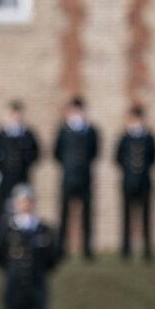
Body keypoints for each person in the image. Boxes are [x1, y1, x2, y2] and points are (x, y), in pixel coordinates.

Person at [0, 99, 39, 256]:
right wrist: (1, 166)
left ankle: (24, 242)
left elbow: (35, 153)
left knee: (24, 210)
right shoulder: (1, 134)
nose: (16, 117)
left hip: (22, 179)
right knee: (1, 211)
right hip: (5, 180)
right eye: (13, 114)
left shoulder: (28, 134)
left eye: (18, 114)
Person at [52, 96, 99, 260]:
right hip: (68, 177)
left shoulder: (91, 131)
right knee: (64, 213)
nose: (76, 113)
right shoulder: (63, 131)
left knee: (87, 214)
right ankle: (61, 248)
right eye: (74, 110)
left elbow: (94, 152)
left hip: (85, 178)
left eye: (79, 110)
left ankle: (87, 249)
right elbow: (57, 153)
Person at [115, 105, 155, 261]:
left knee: (146, 216)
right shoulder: (124, 138)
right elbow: (118, 158)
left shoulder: (149, 137)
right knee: (126, 216)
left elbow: (153, 157)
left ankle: (147, 250)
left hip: (145, 182)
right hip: (128, 181)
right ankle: (126, 249)